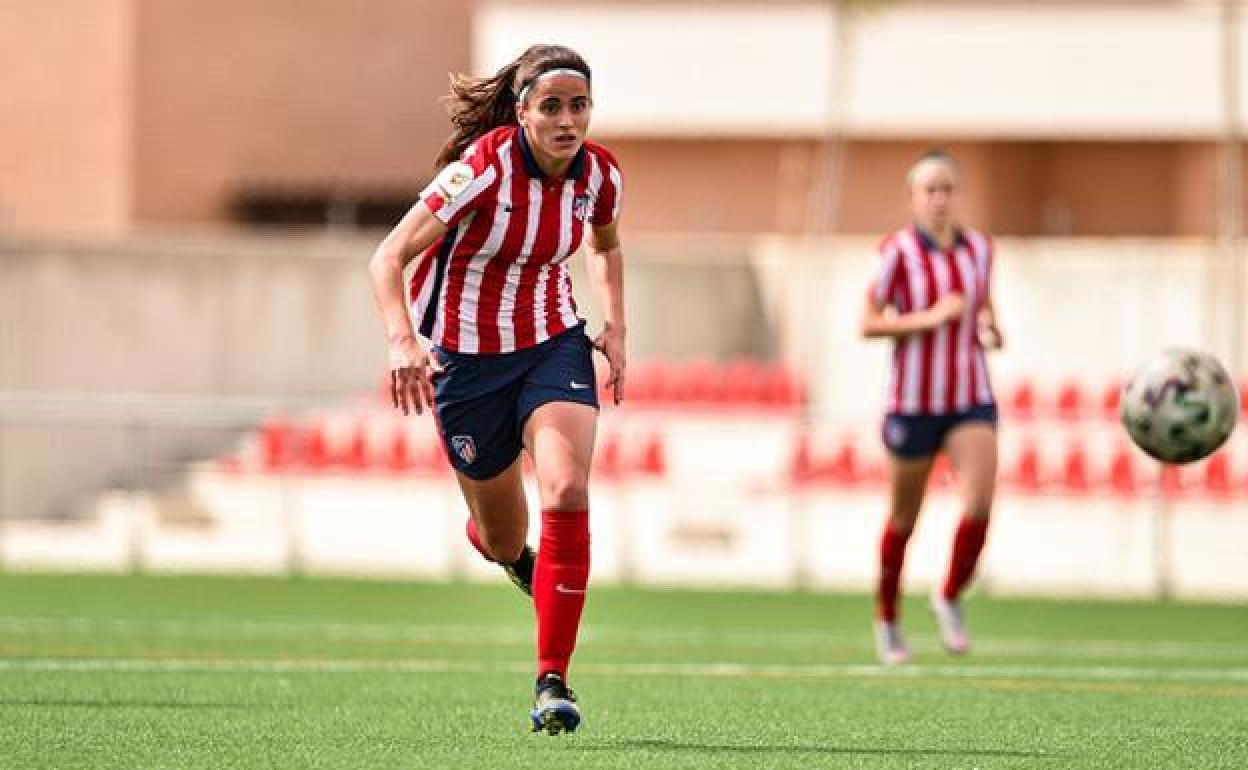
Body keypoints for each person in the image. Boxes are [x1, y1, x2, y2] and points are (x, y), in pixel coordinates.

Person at [367, 43, 626, 734]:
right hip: (467, 365)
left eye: (579, 106)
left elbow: (604, 246)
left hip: (552, 343)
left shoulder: (599, 175)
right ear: (522, 113)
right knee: (506, 535)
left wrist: (617, 328)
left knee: (567, 490)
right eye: (552, 107)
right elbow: (387, 256)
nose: (568, 121)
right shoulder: (480, 169)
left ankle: (552, 681)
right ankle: (507, 552)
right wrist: (402, 341)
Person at [860, 150, 1004, 665]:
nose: (940, 199)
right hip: (913, 402)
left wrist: (990, 328)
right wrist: (927, 319)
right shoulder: (897, 252)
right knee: (904, 517)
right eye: (930, 190)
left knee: (980, 503)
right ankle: (888, 617)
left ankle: (948, 594)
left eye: (947, 189)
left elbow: (985, 308)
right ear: (914, 198)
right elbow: (869, 322)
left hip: (970, 396)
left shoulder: (981, 250)